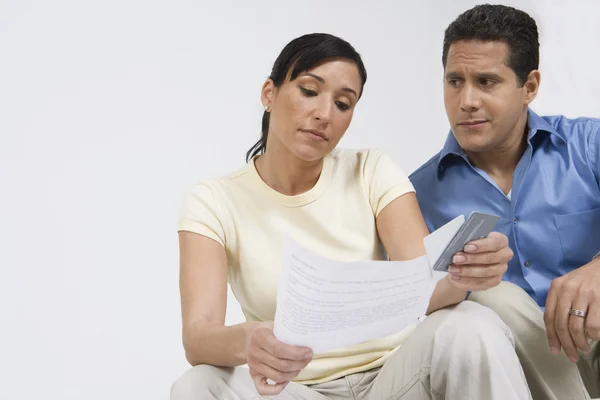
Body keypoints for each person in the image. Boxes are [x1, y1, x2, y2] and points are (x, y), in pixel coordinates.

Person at [170, 33, 529, 400]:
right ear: (269, 94)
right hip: (295, 390)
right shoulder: (213, 200)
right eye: (309, 91)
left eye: (343, 104)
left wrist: (469, 271)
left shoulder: (371, 169)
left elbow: (426, 288)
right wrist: (249, 339)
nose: (324, 114)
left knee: (473, 322)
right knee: (197, 386)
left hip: (396, 378)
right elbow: (198, 338)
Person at [409, 4, 600, 400]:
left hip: (594, 341)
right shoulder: (415, 196)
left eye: (486, 81)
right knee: (492, 295)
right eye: (455, 81)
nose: (466, 100)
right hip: (504, 376)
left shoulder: (587, 146)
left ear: (529, 86)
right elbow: (405, 309)